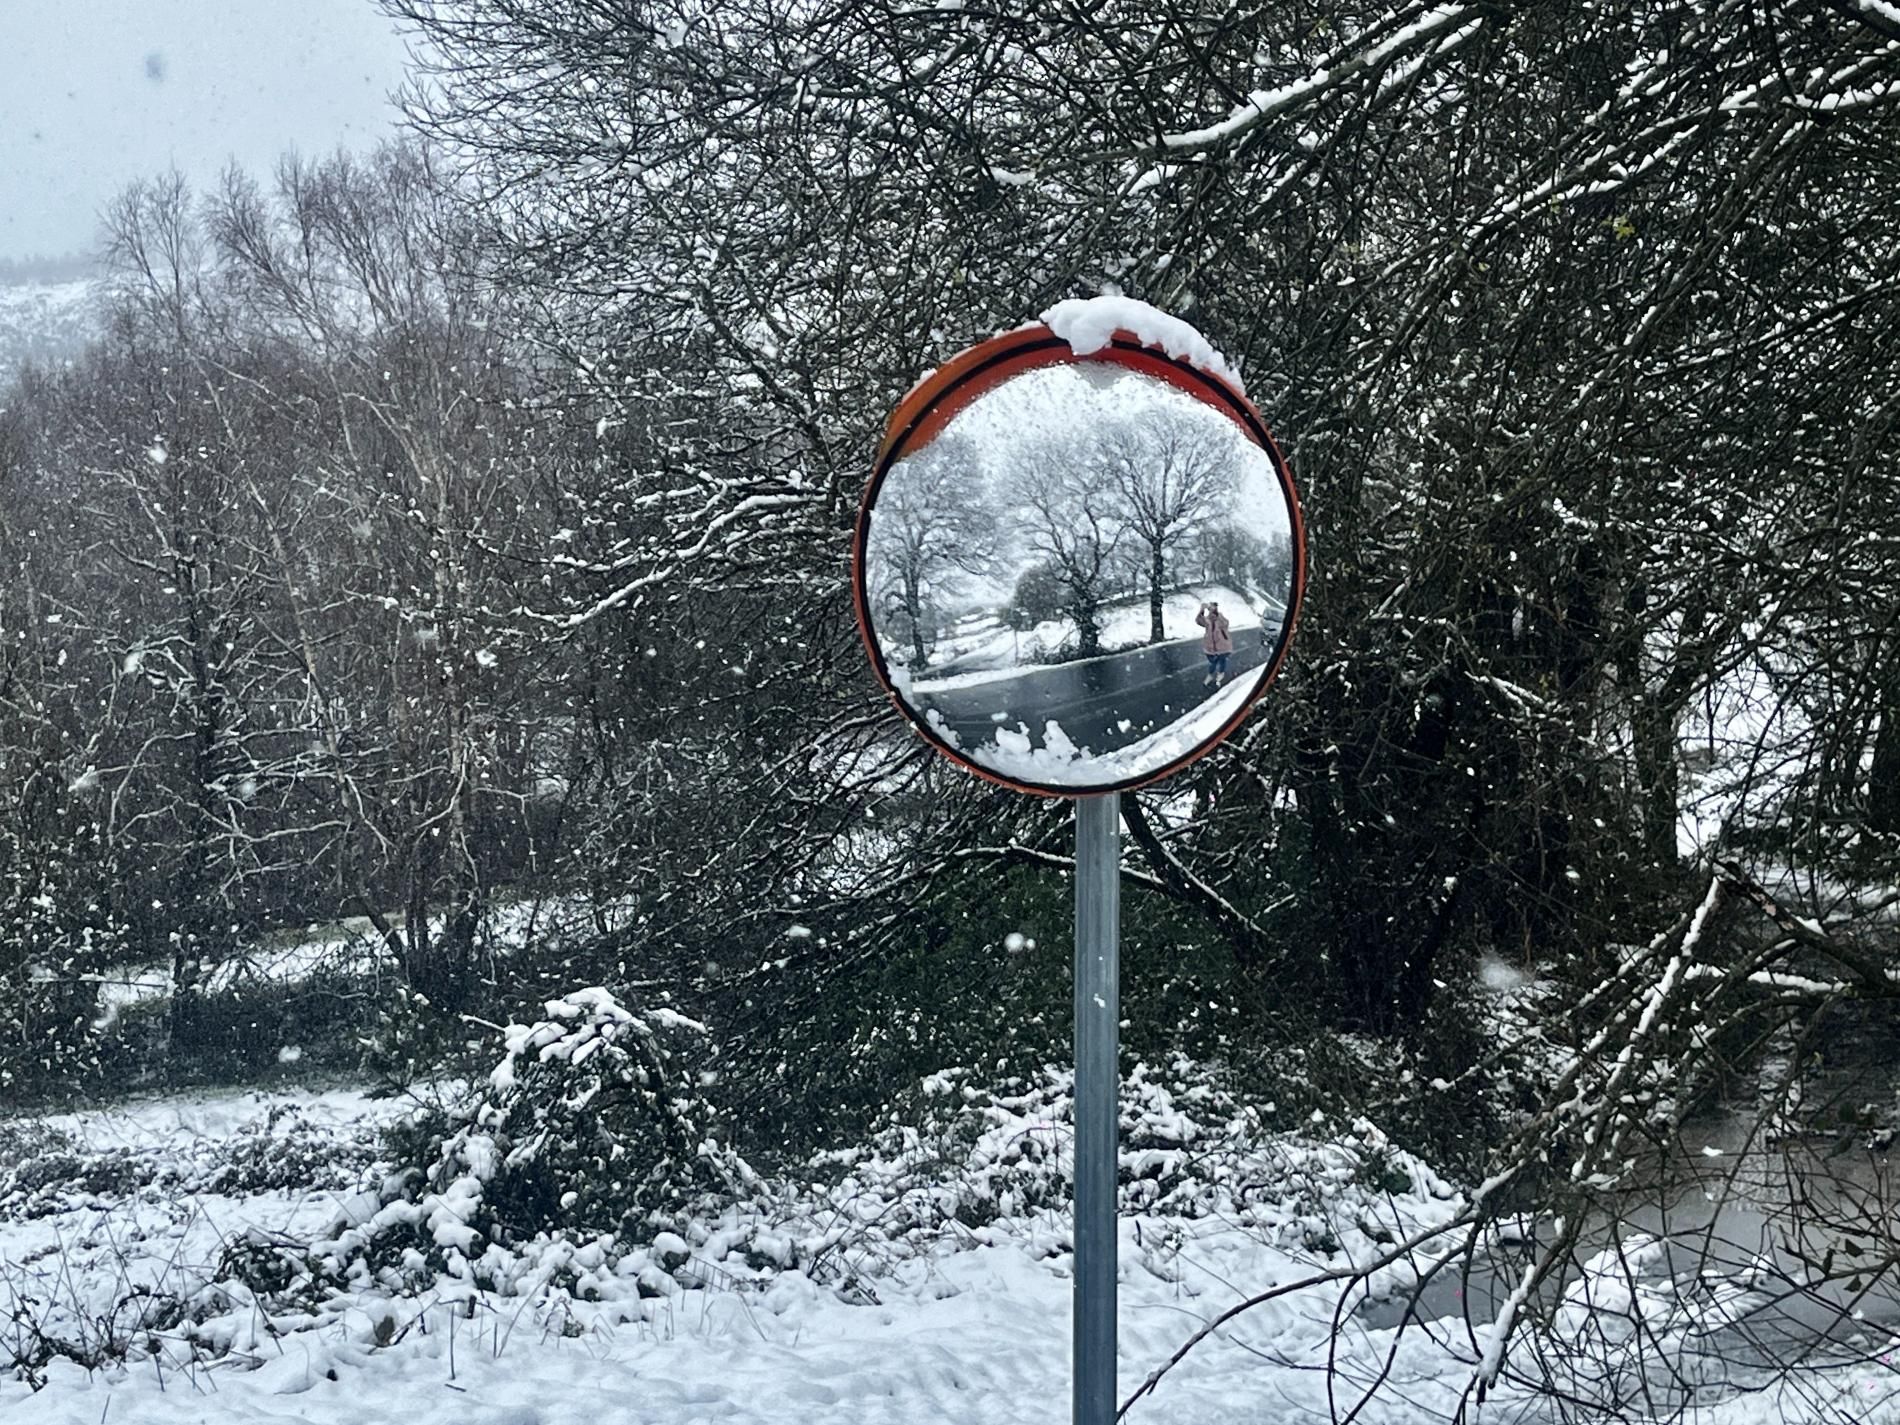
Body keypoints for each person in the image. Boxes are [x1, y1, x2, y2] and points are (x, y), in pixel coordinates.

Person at [1196, 599, 1232, 687]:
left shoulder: (1220, 618)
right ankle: (1211, 675)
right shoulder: (1207, 620)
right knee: (1213, 661)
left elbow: (1226, 623)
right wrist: (1201, 610)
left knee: (1221, 660)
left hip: (1222, 645)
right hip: (1210, 646)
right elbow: (1198, 621)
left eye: (1214, 607)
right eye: (1211, 607)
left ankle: (1220, 675)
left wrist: (1217, 614)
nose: (1212, 609)